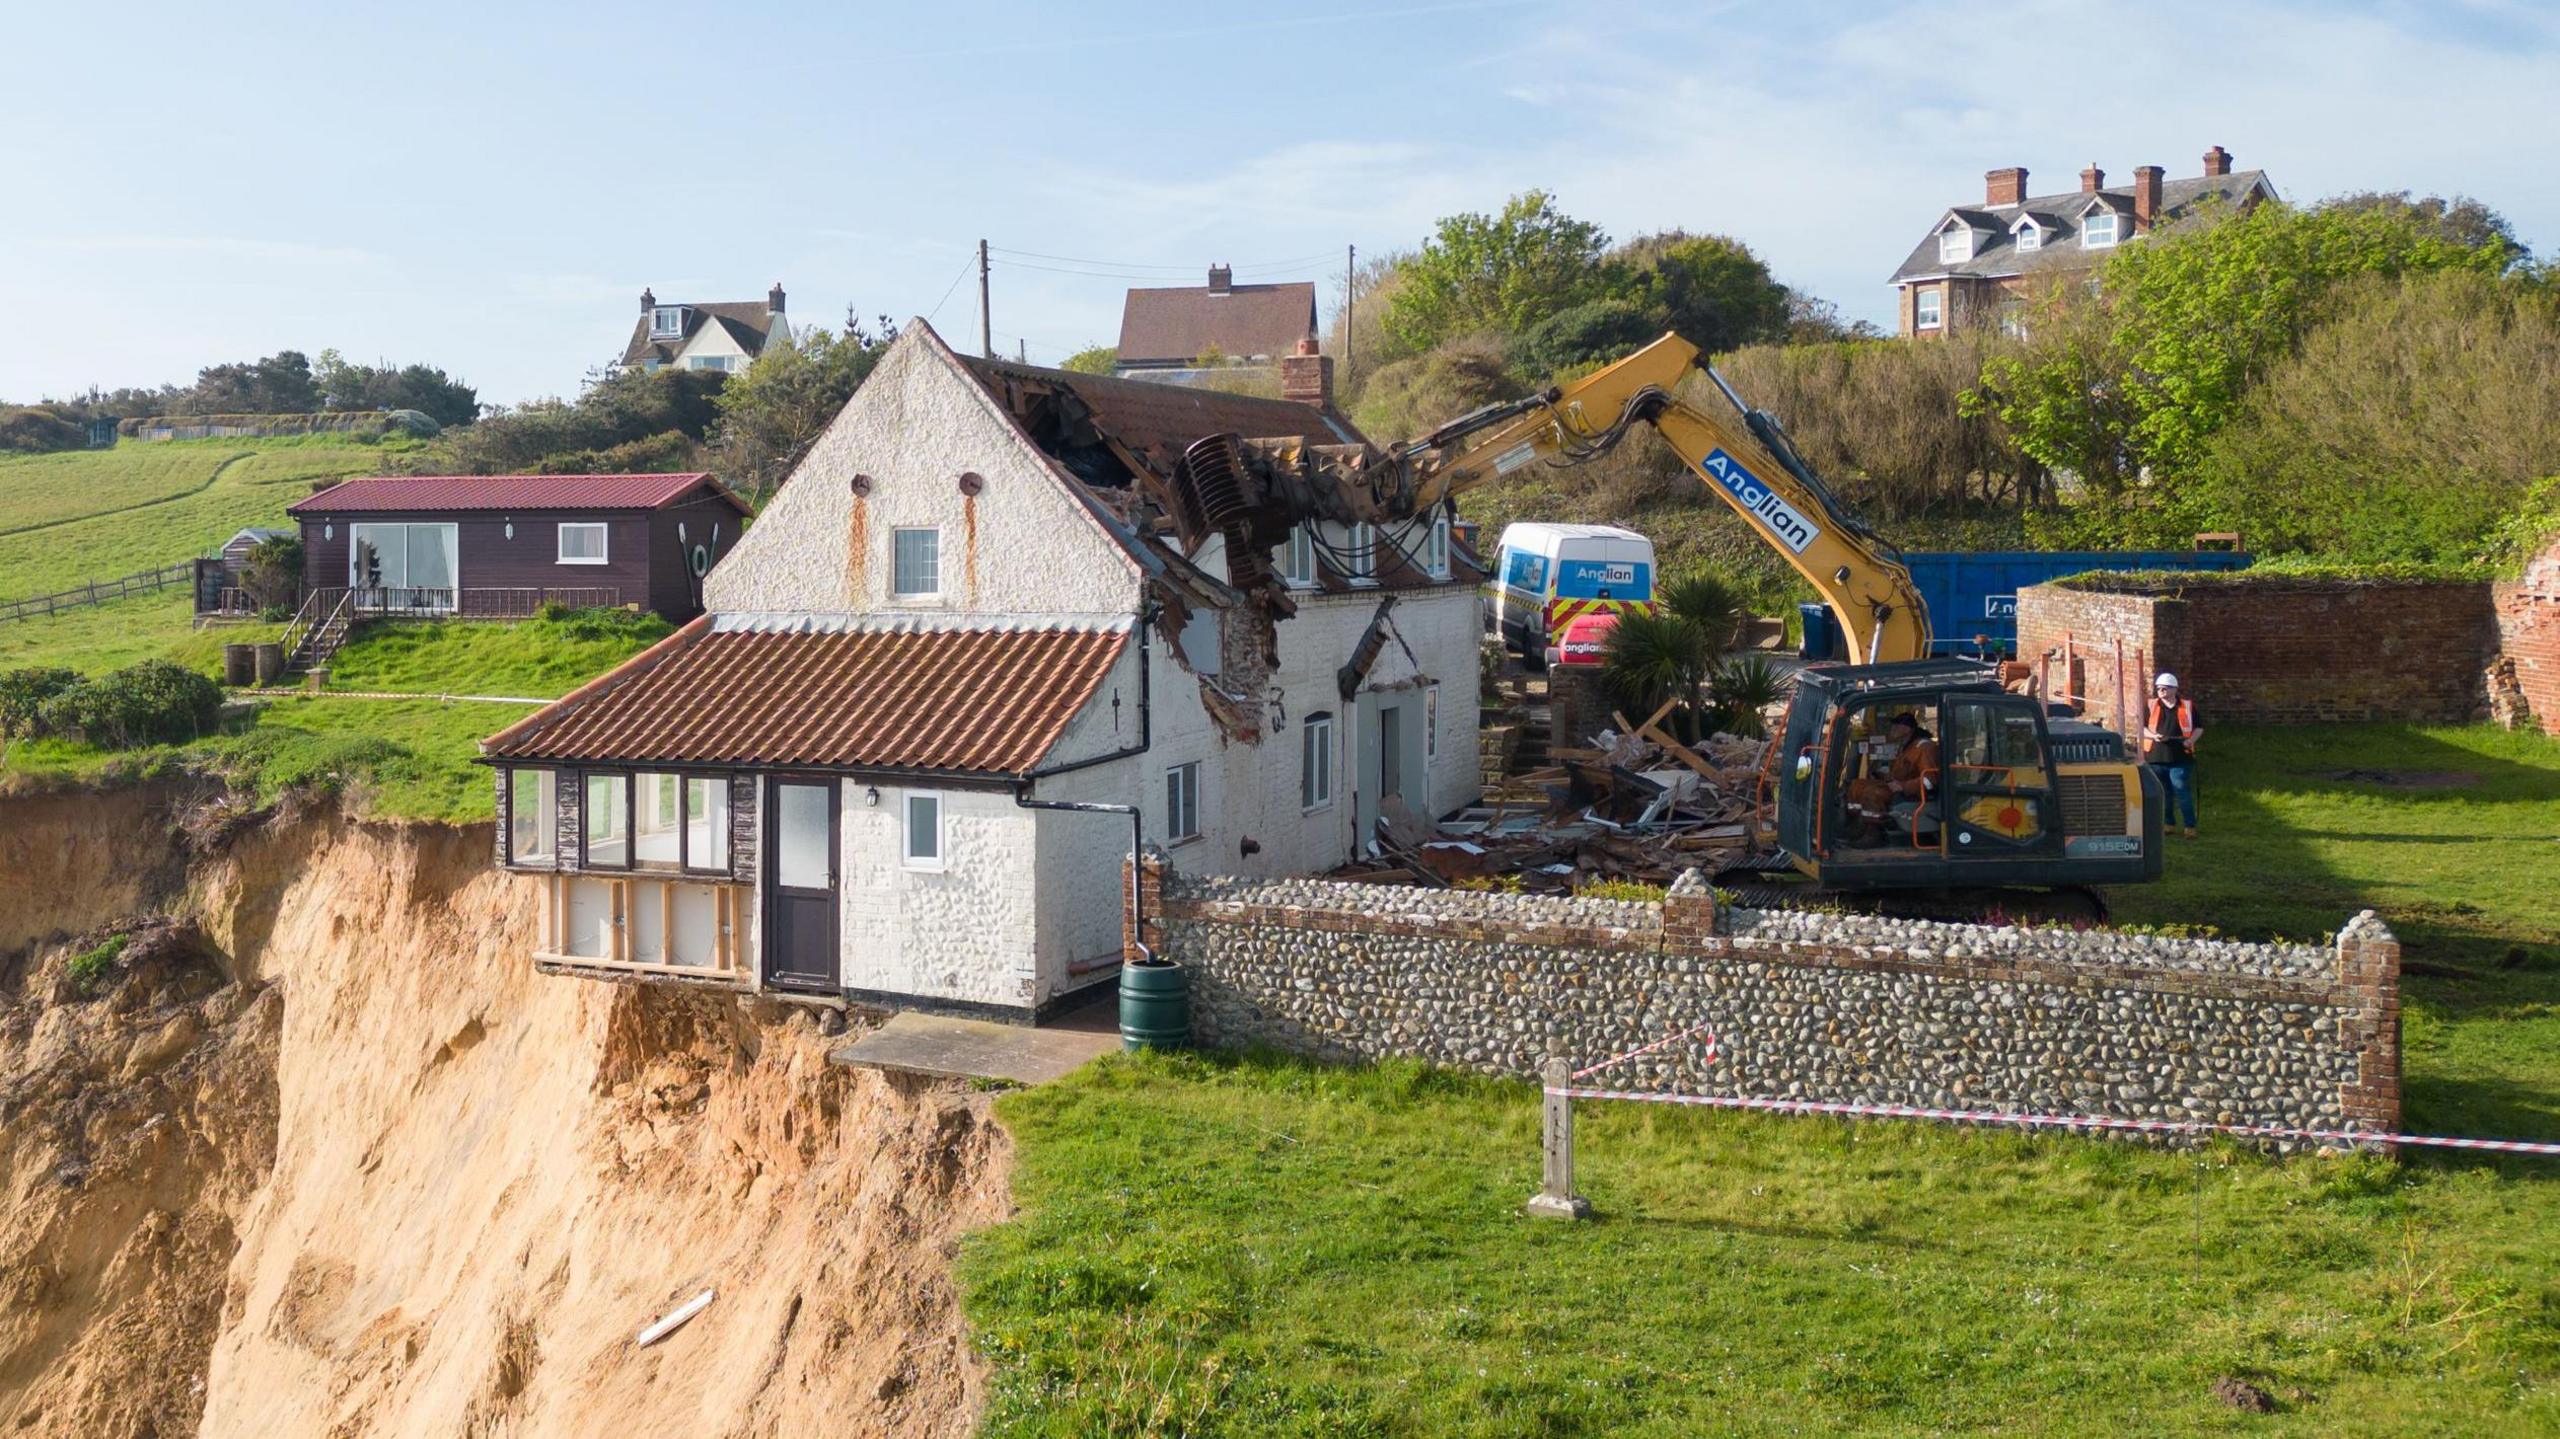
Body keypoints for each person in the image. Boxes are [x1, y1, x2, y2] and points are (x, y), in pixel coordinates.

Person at [2142, 673, 2203, 837]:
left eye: (2164, 688)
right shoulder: (2151, 706)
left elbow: (2199, 728)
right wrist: (2152, 736)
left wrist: (2190, 741)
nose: (2160, 691)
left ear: (2174, 689)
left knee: (2181, 789)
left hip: (2181, 757)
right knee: (2165, 793)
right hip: (2156, 757)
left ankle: (2190, 827)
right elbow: (2141, 727)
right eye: (2158, 688)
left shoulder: (2188, 707)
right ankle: (2168, 824)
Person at [1884, 712, 1940, 843]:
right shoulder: (1906, 746)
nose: (1891, 730)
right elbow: (1903, 771)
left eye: (1895, 726)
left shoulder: (1923, 747)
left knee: (1872, 795)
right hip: (1903, 789)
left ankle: (1871, 834)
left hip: (1916, 795)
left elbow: (1929, 780)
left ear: (1906, 729)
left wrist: (1902, 787)